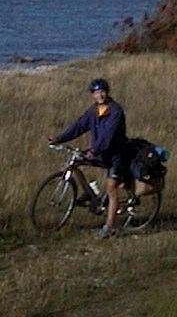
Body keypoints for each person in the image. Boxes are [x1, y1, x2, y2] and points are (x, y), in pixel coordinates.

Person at [48, 77, 130, 239]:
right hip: (100, 152)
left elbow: (107, 135)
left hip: (116, 154)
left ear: (108, 92)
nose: (100, 95)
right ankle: (90, 194)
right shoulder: (93, 111)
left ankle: (110, 227)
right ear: (92, 95)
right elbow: (78, 126)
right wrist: (59, 138)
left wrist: (94, 150)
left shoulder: (116, 111)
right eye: (97, 93)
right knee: (73, 164)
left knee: (111, 188)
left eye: (103, 92)